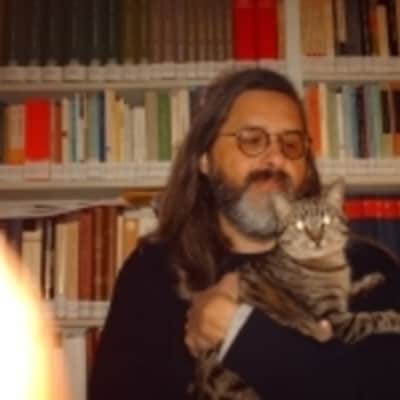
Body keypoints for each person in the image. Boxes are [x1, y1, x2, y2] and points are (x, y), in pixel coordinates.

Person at [88, 68, 400, 400]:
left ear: (306, 165)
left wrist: (243, 334)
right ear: (204, 159)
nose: (276, 158)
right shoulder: (151, 272)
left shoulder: (367, 268)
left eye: (291, 143)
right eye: (252, 140)